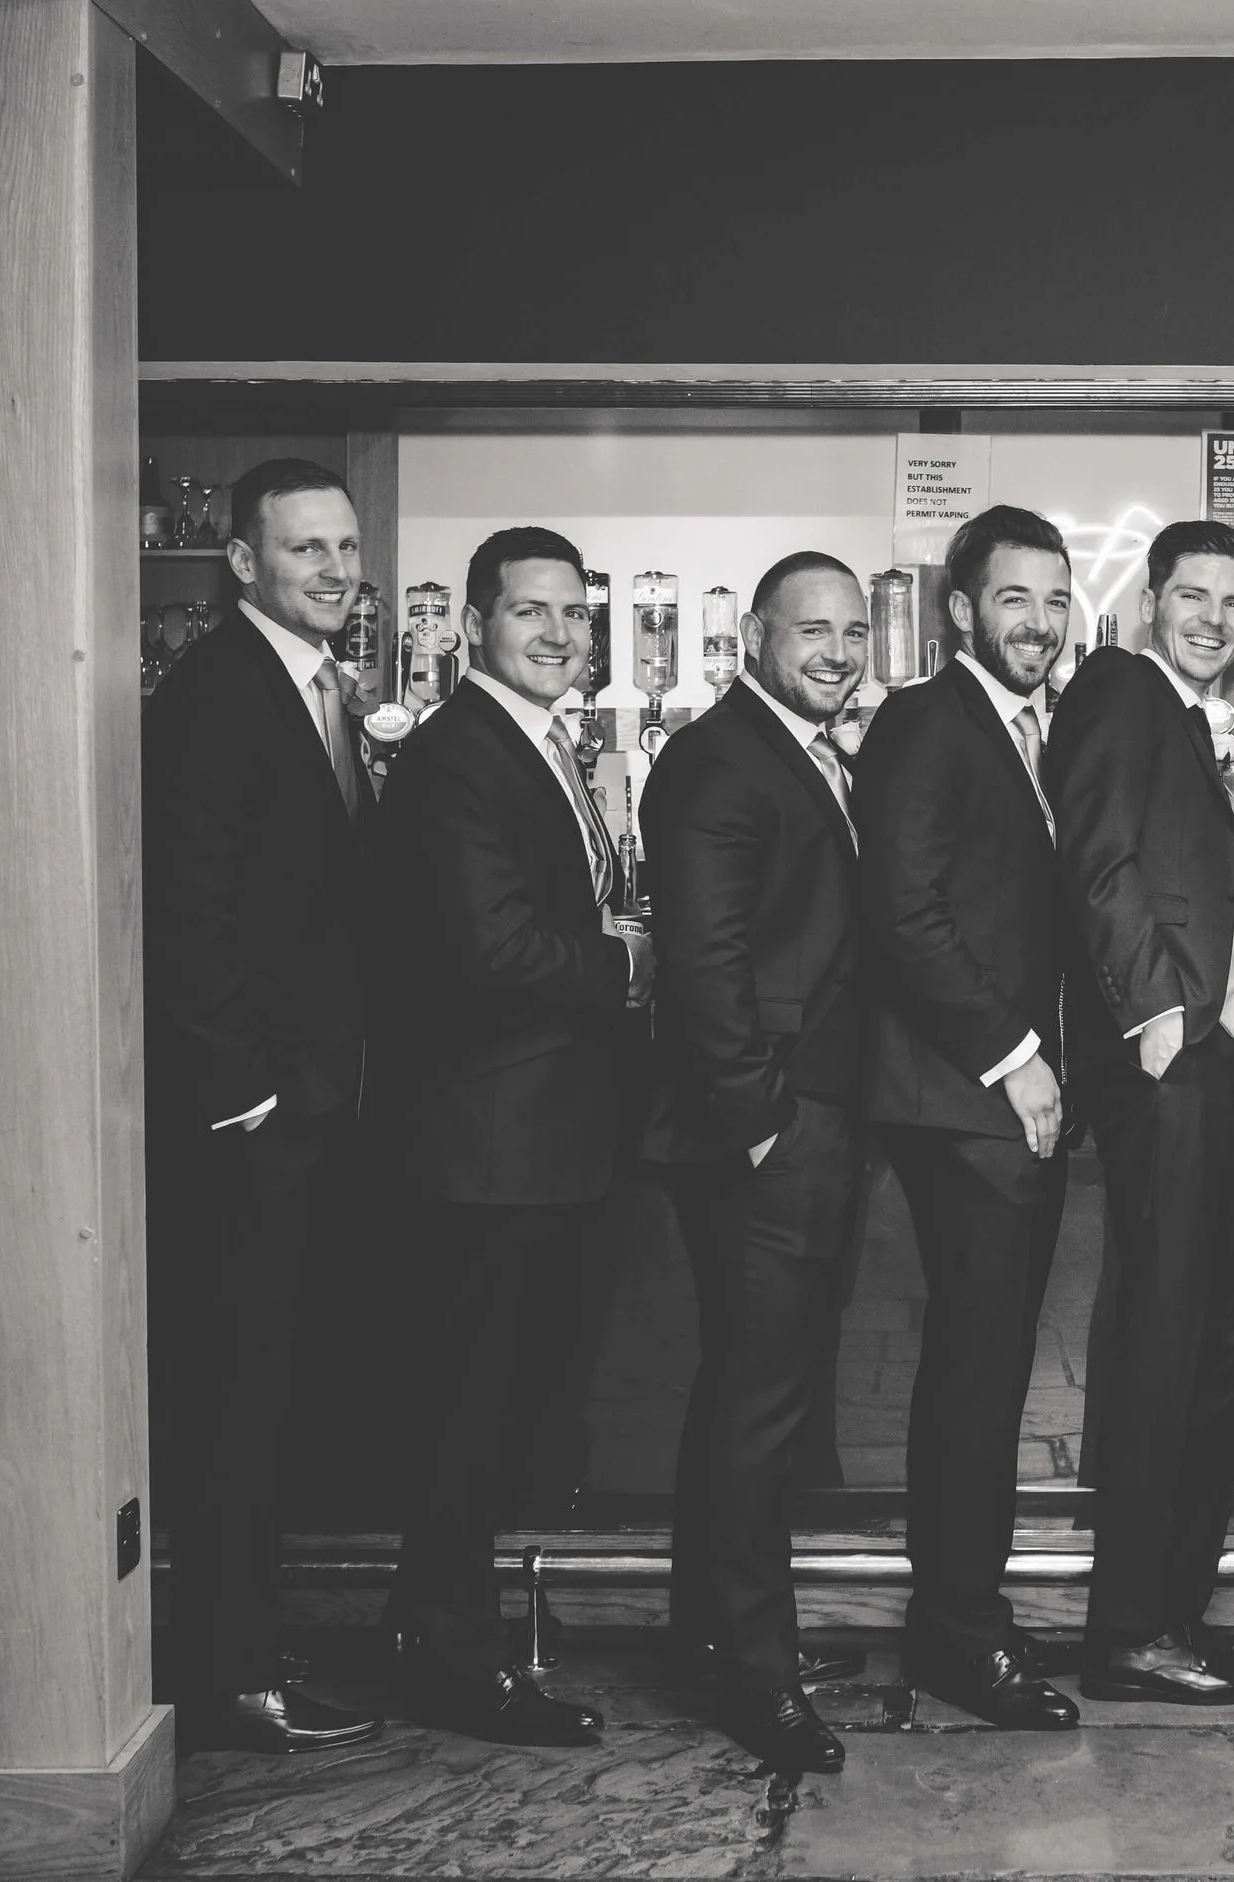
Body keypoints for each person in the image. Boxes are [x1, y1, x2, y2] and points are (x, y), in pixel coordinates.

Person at [377, 526, 650, 1747]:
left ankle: (433, 1624)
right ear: (474, 624)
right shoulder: (459, 756)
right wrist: (625, 962)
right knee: (468, 1409)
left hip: (543, 1138)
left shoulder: (539, 744)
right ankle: (453, 1659)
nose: (557, 633)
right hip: (489, 1143)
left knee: (494, 1403)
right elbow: (487, 952)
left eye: (573, 614)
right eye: (530, 612)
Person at [144, 458, 384, 1753]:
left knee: (274, 1387)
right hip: (248, 1123)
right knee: (235, 1396)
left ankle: (249, 1643)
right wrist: (243, 1096)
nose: (337, 569)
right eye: (307, 550)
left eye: (346, 546)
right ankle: (230, 1676)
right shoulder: (216, 694)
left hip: (304, 1107)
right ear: (244, 560)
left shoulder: (313, 685)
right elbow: (188, 912)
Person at [1045, 519, 1234, 1706]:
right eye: (1190, 595)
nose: (1213, 617)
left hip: (1224, 1053)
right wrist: (1156, 1014)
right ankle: (1129, 1629)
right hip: (1170, 1058)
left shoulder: (1197, 723)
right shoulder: (1114, 686)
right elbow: (1094, 859)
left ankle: (1174, 1608)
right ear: (1149, 603)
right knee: (1166, 1337)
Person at [640, 551, 877, 1773]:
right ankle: (757, 1673)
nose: (835, 651)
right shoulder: (720, 757)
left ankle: (709, 1636)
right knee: (761, 1407)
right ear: (753, 637)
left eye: (850, 630)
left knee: (744, 1391)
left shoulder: (810, 750)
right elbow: (702, 959)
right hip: (763, 1135)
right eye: (809, 630)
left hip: (803, 1118)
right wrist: (762, 1123)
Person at [855, 504, 1079, 1730]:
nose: (1038, 622)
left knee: (981, 1371)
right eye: (1013, 599)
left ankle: (961, 1614)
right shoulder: (925, 719)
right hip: (962, 1097)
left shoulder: (1024, 726)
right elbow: (904, 912)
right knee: (976, 1375)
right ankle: (956, 1635)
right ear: (959, 611)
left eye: (1054, 599)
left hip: (993, 1092)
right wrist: (1013, 1057)